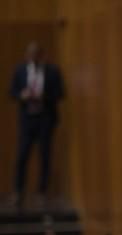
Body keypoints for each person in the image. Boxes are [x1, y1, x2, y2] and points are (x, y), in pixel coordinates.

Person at [9, 42, 65, 206]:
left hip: (46, 119)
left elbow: (60, 93)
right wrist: (22, 95)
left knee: (45, 156)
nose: (33, 57)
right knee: (22, 156)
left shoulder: (53, 71)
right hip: (27, 120)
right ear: (27, 56)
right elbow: (11, 92)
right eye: (30, 54)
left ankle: (42, 191)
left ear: (42, 55)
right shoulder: (20, 71)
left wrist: (43, 96)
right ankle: (18, 191)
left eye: (36, 54)